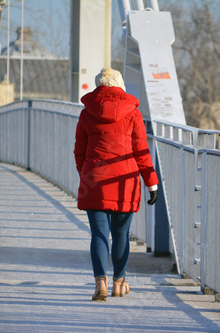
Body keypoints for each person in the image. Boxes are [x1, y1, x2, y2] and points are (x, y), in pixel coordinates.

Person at [74, 67, 159, 302]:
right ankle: (119, 284)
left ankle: (99, 282)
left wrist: (86, 175)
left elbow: (79, 151)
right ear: (120, 85)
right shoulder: (132, 112)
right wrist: (152, 184)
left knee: (98, 233)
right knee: (121, 234)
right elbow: (142, 152)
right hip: (125, 182)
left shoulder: (87, 112)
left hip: (95, 181)